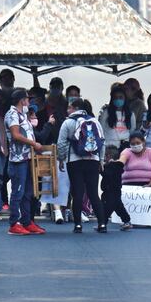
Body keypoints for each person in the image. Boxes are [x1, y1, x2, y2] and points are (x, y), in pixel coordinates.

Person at [57, 98, 107, 234]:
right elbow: (102, 142)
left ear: (75, 108)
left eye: (69, 107)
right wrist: (101, 160)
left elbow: (61, 143)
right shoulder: (94, 121)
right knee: (93, 193)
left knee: (77, 193)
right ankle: (102, 223)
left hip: (74, 161)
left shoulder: (68, 123)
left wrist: (61, 159)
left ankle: (78, 225)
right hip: (92, 160)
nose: (67, 110)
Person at [4, 88, 45, 235]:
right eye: (27, 98)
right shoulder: (13, 114)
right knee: (18, 192)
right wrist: (33, 144)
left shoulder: (22, 114)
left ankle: (27, 221)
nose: (29, 101)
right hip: (18, 159)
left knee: (28, 192)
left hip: (27, 158)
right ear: (22, 100)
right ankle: (14, 223)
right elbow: (15, 135)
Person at [101, 145, 131, 230]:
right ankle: (126, 221)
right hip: (114, 190)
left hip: (111, 190)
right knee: (118, 207)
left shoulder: (112, 166)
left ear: (108, 156)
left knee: (107, 208)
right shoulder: (117, 166)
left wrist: (101, 169)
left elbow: (107, 174)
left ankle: (103, 223)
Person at [98, 84, 135, 151]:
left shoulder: (130, 114)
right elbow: (101, 129)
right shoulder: (106, 112)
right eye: (115, 98)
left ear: (125, 98)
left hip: (125, 147)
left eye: (120, 97)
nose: (118, 99)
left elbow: (132, 130)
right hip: (109, 147)